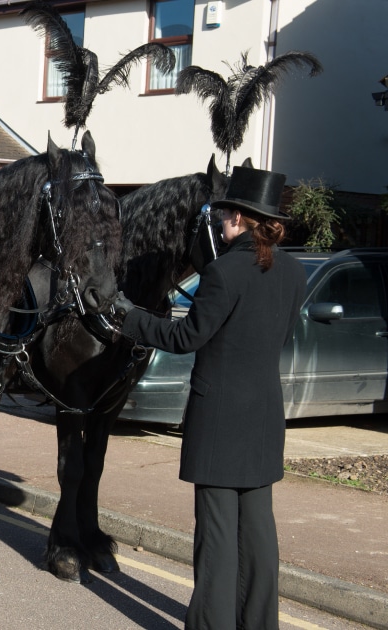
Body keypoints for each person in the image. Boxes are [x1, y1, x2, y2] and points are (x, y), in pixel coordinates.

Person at [113, 166, 306, 629]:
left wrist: (129, 316)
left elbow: (185, 337)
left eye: (224, 217)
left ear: (239, 219)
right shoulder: (294, 271)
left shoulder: (223, 272)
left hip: (219, 417)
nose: (219, 224)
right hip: (264, 416)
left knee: (217, 534)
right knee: (258, 531)